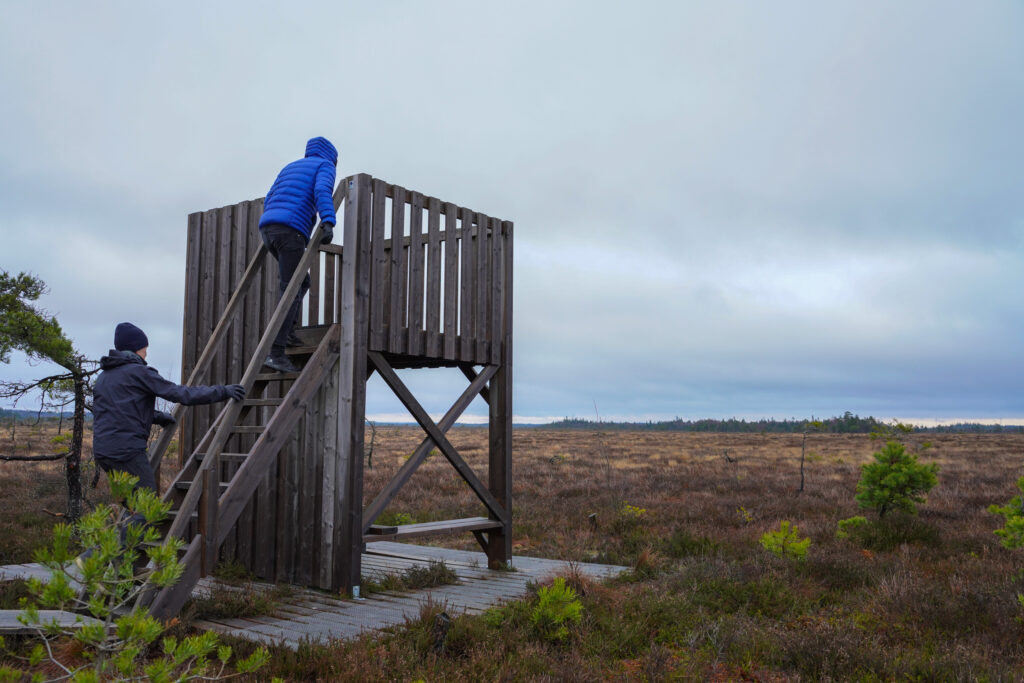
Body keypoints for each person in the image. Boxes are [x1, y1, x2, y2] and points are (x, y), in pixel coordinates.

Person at [92, 322, 245, 496]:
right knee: (146, 507)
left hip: (103, 452)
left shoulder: (104, 377)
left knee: (132, 506)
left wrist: (157, 417)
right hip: (126, 452)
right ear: (136, 348)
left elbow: (118, 411)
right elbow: (181, 394)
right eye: (144, 348)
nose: (146, 352)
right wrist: (223, 391)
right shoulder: (139, 372)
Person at [258, 136, 338, 373]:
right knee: (291, 288)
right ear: (332, 156)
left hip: (268, 229)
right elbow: (322, 189)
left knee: (300, 282)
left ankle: (289, 332)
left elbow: (270, 196)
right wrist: (328, 221)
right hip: (291, 230)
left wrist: (272, 220)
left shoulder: (290, 167)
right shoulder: (325, 166)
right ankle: (276, 353)